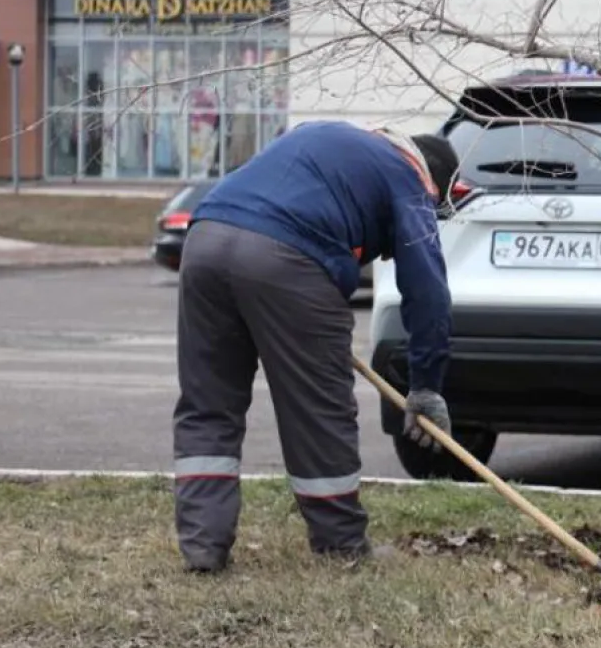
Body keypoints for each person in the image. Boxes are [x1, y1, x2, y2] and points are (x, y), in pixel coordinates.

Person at [171, 120, 459, 573]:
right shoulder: (410, 178)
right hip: (289, 257)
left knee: (209, 402)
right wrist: (426, 385)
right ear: (437, 184)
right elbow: (428, 293)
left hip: (205, 239)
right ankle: (340, 544)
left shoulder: (331, 138)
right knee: (319, 411)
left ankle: (202, 548)